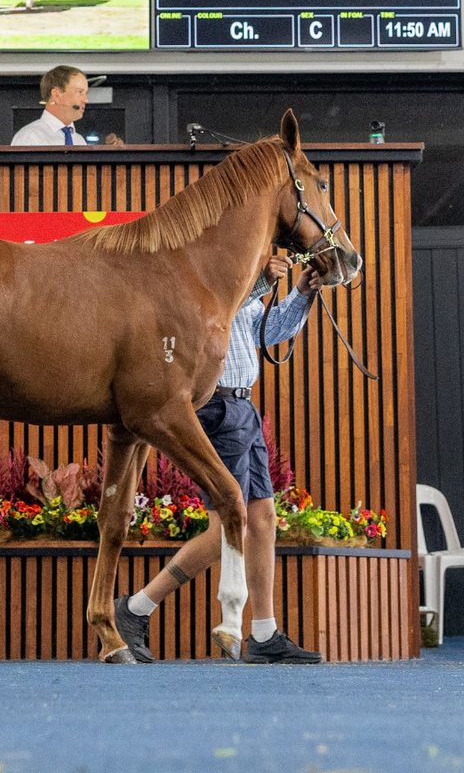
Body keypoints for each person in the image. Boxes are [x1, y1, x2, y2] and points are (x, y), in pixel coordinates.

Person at [114, 256, 325, 665]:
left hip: (243, 407)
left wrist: (303, 292)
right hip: (217, 407)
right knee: (226, 527)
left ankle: (263, 632)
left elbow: (270, 332)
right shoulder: (210, 280)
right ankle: (136, 608)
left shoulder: (243, 282)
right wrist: (262, 281)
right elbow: (218, 314)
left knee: (263, 517)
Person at [11, 65, 90, 146]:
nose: (86, 100)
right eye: (80, 92)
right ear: (56, 95)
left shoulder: (79, 141)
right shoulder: (29, 137)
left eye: (86, 93)